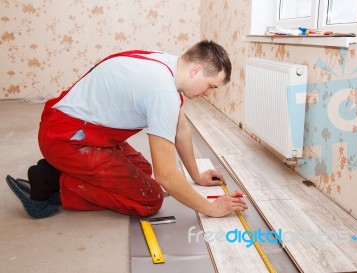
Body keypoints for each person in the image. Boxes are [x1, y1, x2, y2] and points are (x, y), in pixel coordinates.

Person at [6, 40, 248, 219]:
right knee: (149, 197)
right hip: (67, 138)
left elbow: (180, 129)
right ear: (195, 71)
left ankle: (59, 168)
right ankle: (51, 182)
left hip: (79, 128)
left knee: (143, 170)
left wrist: (196, 175)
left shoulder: (169, 65)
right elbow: (166, 175)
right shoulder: (162, 92)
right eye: (211, 86)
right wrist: (210, 208)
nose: (208, 93)